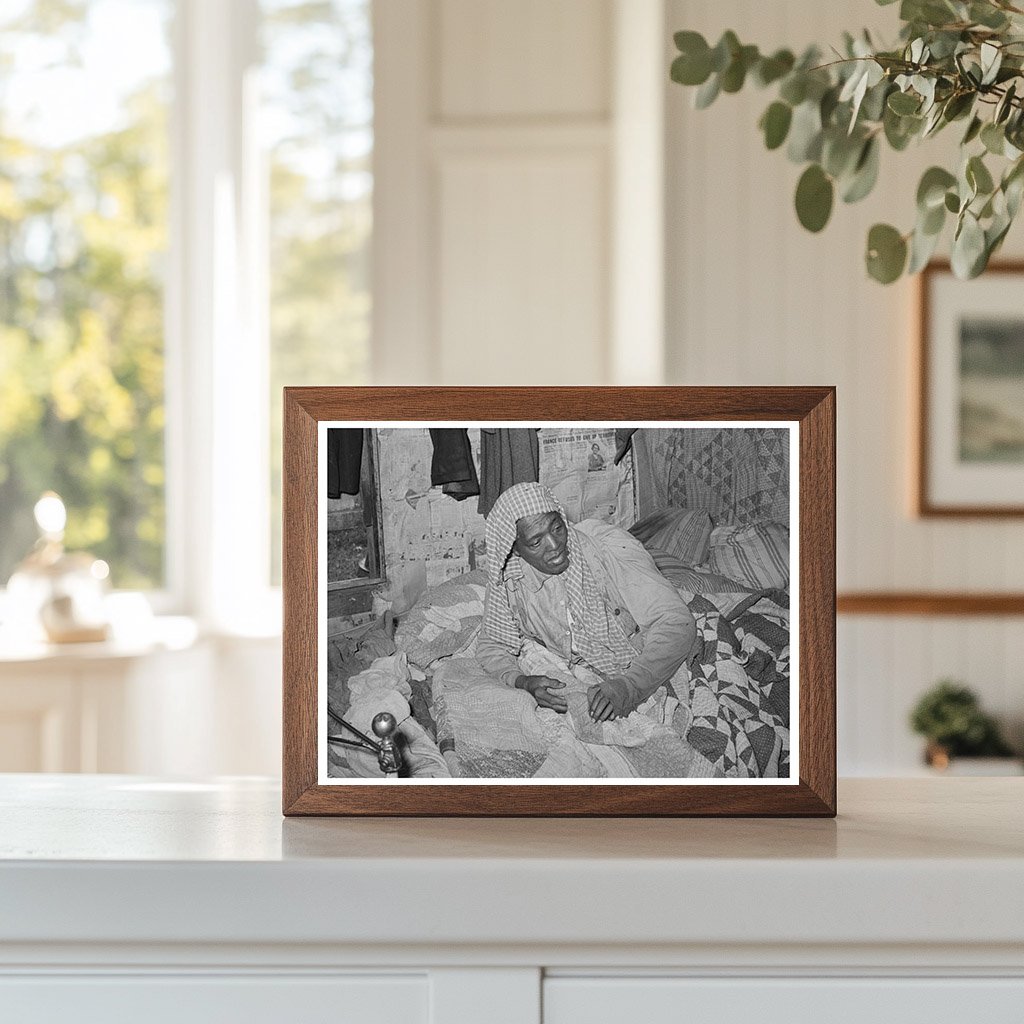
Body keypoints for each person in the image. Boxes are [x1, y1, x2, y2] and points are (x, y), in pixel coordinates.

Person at [477, 482, 697, 722]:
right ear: (515, 549)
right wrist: (522, 682)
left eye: (557, 528)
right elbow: (492, 645)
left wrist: (629, 688)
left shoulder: (607, 549)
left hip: (635, 662)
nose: (554, 545)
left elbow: (675, 622)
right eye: (536, 542)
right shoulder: (509, 578)